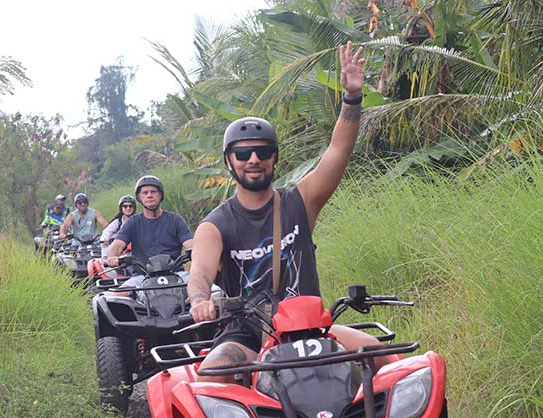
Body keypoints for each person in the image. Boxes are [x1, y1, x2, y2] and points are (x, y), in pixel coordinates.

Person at [187, 41, 387, 382]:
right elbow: (201, 273)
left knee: (380, 354)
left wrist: (352, 97)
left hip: (309, 328)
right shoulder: (215, 225)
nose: (254, 159)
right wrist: (199, 301)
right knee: (213, 375)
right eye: (243, 153)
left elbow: (338, 150)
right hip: (248, 335)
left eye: (263, 152)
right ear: (229, 162)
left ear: (274, 157)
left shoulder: (300, 202)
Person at [106, 176, 194, 289]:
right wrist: (112, 257)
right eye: (145, 193)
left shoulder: (175, 220)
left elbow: (190, 243)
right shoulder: (132, 222)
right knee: (116, 296)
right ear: (139, 197)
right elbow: (117, 245)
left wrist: (195, 251)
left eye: (153, 192)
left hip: (176, 274)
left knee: (210, 291)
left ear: (160, 195)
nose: (149, 195)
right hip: (142, 276)